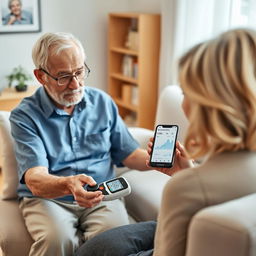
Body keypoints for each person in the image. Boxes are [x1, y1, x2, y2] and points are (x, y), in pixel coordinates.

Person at [75, 28, 256, 256]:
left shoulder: (185, 189)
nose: (183, 104)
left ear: (208, 106)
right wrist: (186, 173)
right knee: (101, 245)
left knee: (87, 253)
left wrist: (187, 181)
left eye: (185, 93)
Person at [9, 32, 161, 256]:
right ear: (41, 76)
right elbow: (35, 178)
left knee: (114, 240)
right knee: (56, 241)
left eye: (79, 72)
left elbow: (128, 154)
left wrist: (158, 160)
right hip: (50, 198)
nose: (75, 83)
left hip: (102, 193)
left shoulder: (102, 102)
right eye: (63, 76)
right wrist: (69, 184)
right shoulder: (24, 116)